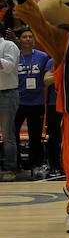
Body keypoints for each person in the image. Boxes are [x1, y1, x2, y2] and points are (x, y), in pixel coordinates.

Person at [14, 28, 52, 177]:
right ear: (19, 40)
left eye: (30, 36)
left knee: (35, 135)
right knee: (13, 133)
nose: (28, 39)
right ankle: (17, 164)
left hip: (37, 102)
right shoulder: (15, 57)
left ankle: (36, 164)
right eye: (25, 37)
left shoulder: (42, 57)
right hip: (18, 102)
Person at [0, 26, 20, 180]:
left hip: (7, 93)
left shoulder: (8, 45)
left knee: (7, 134)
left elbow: (8, 67)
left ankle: (10, 169)